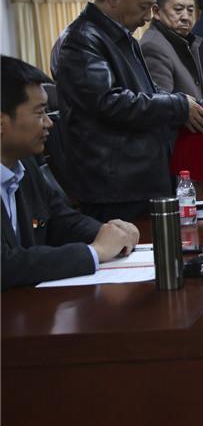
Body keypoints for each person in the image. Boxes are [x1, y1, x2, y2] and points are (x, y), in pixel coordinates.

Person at [56, 0, 203, 222]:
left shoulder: (120, 37)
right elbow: (108, 102)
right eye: (143, 7)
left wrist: (187, 102)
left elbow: (146, 92)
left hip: (138, 180)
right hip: (115, 188)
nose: (148, 17)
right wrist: (177, 105)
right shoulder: (82, 39)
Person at [1, 56, 140, 289]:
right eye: (39, 113)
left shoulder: (25, 165)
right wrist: (94, 252)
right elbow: (5, 265)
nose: (49, 123)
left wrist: (109, 232)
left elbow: (60, 220)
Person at [140, 0, 203, 99]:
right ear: (156, 11)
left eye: (190, 10)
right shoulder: (154, 46)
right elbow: (162, 104)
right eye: (178, 9)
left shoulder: (182, 41)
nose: (186, 17)